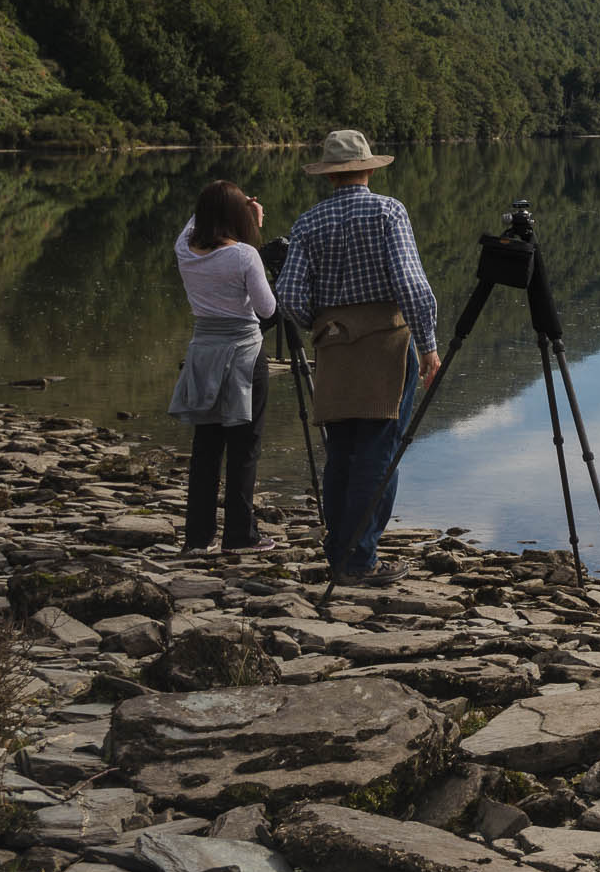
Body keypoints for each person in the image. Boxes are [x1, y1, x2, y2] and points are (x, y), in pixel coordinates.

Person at [274, 130, 439, 587]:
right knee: (379, 452)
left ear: (329, 175)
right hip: (386, 345)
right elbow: (411, 286)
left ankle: (339, 551)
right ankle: (360, 560)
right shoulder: (388, 210)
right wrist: (428, 345)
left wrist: (321, 325)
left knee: (342, 452)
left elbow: (286, 296)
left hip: (333, 347)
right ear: (368, 168)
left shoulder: (308, 223)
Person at [167, 180, 279, 554]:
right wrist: (254, 223)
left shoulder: (184, 249)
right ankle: (239, 536)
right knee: (244, 447)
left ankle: (197, 538)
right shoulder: (245, 255)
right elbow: (267, 310)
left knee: (206, 448)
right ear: (236, 217)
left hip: (203, 353)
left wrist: (226, 205)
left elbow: (191, 223)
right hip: (243, 355)